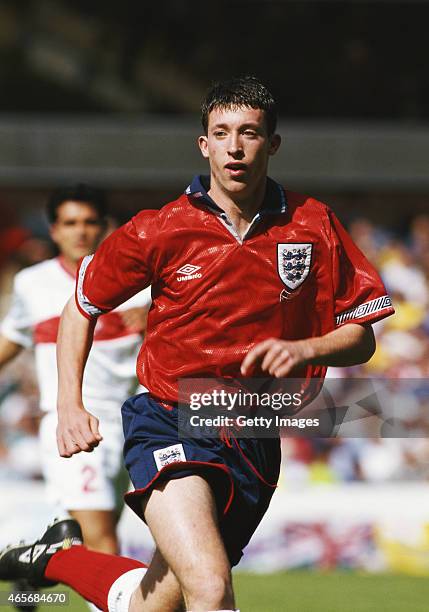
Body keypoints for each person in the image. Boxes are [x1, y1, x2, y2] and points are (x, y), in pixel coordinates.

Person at [0, 77, 394, 612]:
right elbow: (82, 306)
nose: (235, 147)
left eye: (250, 133)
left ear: (272, 144)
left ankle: (54, 559)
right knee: (210, 590)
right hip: (170, 419)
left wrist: (307, 349)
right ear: (203, 144)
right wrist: (70, 404)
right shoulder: (157, 230)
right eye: (222, 133)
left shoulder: (312, 223)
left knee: (155, 603)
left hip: (254, 432)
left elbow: (360, 337)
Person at [0, 185, 150, 607]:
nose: (80, 232)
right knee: (103, 538)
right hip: (72, 424)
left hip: (130, 424)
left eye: (89, 222)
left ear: (106, 227)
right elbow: (9, 342)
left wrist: (155, 319)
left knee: (81, 536)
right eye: (69, 223)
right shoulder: (34, 283)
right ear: (54, 229)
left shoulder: (140, 284)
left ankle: (34, 568)